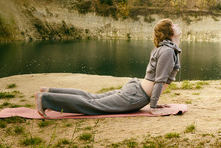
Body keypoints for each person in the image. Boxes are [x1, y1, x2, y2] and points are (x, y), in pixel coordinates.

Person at [35, 19, 182, 118]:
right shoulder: (167, 51)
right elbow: (159, 81)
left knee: (92, 98)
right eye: (173, 24)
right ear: (169, 32)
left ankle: (50, 92)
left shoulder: (168, 49)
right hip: (136, 96)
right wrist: (154, 106)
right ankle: (45, 99)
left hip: (136, 91)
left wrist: (154, 101)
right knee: (92, 104)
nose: (177, 25)